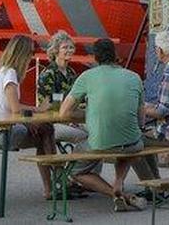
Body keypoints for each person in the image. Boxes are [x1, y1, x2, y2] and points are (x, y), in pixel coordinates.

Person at [58, 38, 152, 211]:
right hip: (132, 143)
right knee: (127, 144)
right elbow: (141, 120)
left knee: (75, 171)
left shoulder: (87, 77)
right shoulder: (134, 77)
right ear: (115, 55)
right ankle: (118, 182)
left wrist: (91, 114)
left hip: (101, 143)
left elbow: (64, 113)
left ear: (95, 57)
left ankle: (116, 194)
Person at [0, 35, 57, 198]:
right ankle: (57, 180)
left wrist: (29, 121)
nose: (32, 57)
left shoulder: (1, 72)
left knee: (44, 132)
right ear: (22, 54)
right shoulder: (10, 74)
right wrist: (39, 109)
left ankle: (53, 185)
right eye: (31, 53)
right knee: (46, 131)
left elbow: (8, 109)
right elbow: (15, 109)